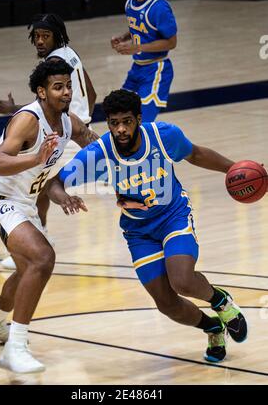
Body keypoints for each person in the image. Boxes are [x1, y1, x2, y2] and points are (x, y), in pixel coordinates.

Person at [49, 89, 248, 362]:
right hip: (138, 231)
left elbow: (197, 154)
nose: (120, 129)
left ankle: (221, 302)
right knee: (166, 304)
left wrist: (236, 170)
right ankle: (212, 327)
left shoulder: (163, 136)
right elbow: (55, 182)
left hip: (173, 215)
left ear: (139, 119)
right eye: (114, 122)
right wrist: (63, 198)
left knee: (183, 280)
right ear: (107, 123)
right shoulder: (99, 153)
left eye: (127, 121)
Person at [0, 60, 98, 374]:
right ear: (42, 92)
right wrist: (34, 158)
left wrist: (63, 195)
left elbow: (98, 149)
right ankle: (15, 348)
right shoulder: (28, 120)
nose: (66, 92)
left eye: (68, 86)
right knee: (43, 257)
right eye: (58, 87)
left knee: (29, 266)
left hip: (23, 203)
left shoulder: (69, 123)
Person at [0, 13, 97, 269]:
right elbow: (91, 92)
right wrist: (84, 119)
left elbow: (43, 107)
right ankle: (40, 236)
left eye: (45, 36)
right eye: (36, 36)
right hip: (75, 127)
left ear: (57, 36)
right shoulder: (70, 54)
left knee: (30, 186)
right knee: (41, 185)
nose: (39, 41)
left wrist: (14, 108)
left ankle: (33, 243)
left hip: (64, 131)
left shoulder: (54, 64)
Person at [111, 0, 176, 122]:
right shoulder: (130, 1)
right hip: (137, 68)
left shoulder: (159, 7)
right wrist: (123, 38)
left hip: (157, 69)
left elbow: (172, 42)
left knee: (142, 124)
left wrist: (138, 47)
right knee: (120, 115)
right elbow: (140, 28)